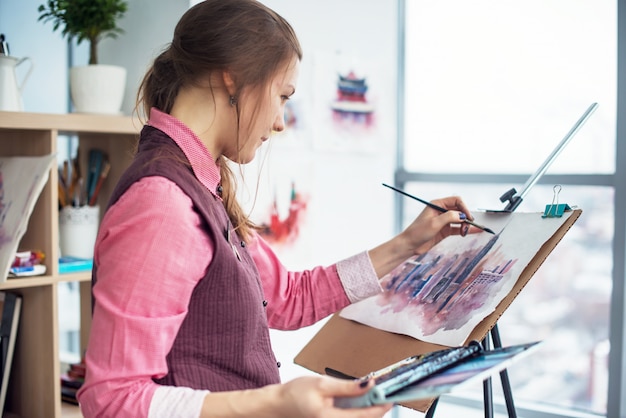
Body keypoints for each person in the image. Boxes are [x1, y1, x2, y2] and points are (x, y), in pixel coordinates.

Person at [76, 1, 480, 417]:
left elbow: (287, 297)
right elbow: (112, 401)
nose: (280, 122)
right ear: (231, 81)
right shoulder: (163, 204)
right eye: (281, 97)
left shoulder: (201, 186)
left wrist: (407, 245)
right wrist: (276, 403)